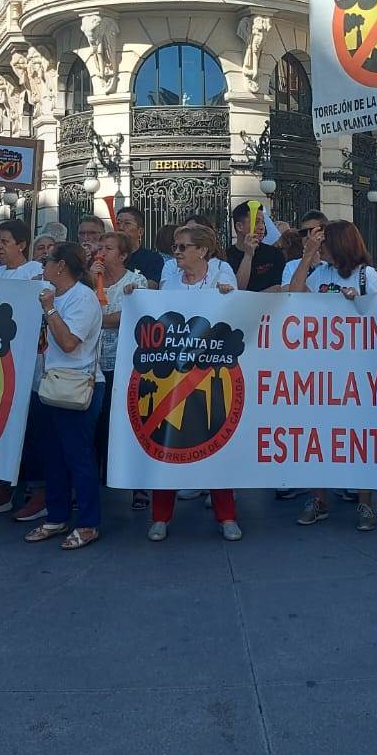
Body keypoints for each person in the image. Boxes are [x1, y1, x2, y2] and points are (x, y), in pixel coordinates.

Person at [142, 223, 240, 541]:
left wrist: (228, 298)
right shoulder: (170, 275)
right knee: (167, 442)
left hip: (211, 373)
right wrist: (138, 296)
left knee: (215, 441)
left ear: (202, 250)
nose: (177, 253)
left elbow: (234, 315)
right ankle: (160, 517)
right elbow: (158, 312)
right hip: (171, 372)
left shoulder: (222, 274)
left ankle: (226, 516)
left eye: (183, 247)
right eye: (175, 247)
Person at [293, 221, 377, 531]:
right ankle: (319, 499)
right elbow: (295, 293)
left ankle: (365, 503)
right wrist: (308, 255)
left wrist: (357, 301)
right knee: (320, 433)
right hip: (322, 367)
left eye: (325, 242)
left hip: (356, 367)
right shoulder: (323, 273)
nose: (322, 247)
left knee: (360, 435)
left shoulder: (364, 274)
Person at [25, 242, 105, 548]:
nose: (42, 265)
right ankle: (56, 517)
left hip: (79, 385)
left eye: (46, 260)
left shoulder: (82, 298)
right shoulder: (52, 293)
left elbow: (70, 342)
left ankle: (88, 523)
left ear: (61, 266)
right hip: (48, 384)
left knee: (78, 457)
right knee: (53, 457)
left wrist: (49, 310)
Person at [0, 218, 46, 520]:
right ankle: (1, 489)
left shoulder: (36, 273)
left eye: (5, 241)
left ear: (21, 245)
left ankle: (39, 492)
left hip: (28, 366)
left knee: (33, 434)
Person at [92, 232, 147, 497]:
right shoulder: (90, 281)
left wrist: (94, 321)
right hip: (94, 363)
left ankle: (138, 486)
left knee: (127, 421)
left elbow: (132, 316)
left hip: (124, 363)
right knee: (99, 423)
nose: (101, 253)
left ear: (123, 255)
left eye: (109, 248)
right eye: (100, 247)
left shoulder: (136, 281)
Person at [227, 201, 285, 292]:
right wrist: (248, 255)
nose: (262, 227)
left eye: (263, 222)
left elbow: (278, 289)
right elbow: (237, 291)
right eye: (256, 222)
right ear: (239, 226)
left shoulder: (275, 254)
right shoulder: (226, 257)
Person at [113, 205, 164, 284]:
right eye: (118, 223)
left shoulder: (152, 258)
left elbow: (153, 285)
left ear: (140, 231)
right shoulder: (109, 256)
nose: (121, 228)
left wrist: (138, 285)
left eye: (127, 223)